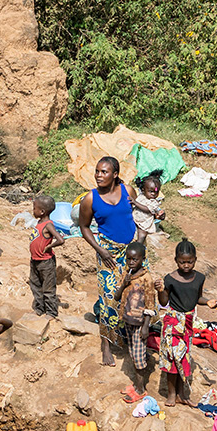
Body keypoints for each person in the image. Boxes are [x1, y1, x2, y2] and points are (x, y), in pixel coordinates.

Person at [77, 156, 137, 368]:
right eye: (97, 171)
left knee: (133, 295)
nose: (99, 175)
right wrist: (100, 250)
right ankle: (106, 345)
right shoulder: (90, 199)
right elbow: (83, 227)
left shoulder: (128, 191)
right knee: (109, 298)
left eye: (104, 172)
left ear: (115, 174)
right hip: (108, 254)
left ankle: (129, 338)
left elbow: (135, 215)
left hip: (131, 253)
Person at [157, 239, 205, 405]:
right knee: (172, 358)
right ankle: (171, 393)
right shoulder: (170, 279)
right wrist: (160, 289)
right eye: (182, 262)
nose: (186, 265)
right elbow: (163, 302)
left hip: (188, 322)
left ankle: (182, 394)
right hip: (173, 322)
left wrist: (209, 302)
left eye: (189, 262)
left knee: (184, 358)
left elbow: (198, 297)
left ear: (195, 260)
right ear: (176, 260)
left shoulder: (199, 277)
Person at [117, 241, 154, 397]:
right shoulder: (126, 275)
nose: (131, 262)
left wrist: (146, 326)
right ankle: (136, 384)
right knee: (133, 353)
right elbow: (117, 296)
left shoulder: (147, 279)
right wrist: (124, 284)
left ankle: (141, 389)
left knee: (138, 358)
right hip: (128, 321)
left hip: (139, 324)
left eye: (135, 259)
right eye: (128, 259)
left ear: (143, 259)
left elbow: (150, 305)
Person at [28, 194, 63, 319]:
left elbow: (60, 239)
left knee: (48, 288)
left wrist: (49, 247)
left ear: (42, 211)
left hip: (46, 262)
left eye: (34, 208)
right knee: (35, 285)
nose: (33, 211)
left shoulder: (48, 225)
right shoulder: (40, 222)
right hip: (35, 260)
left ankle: (51, 312)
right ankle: (39, 308)